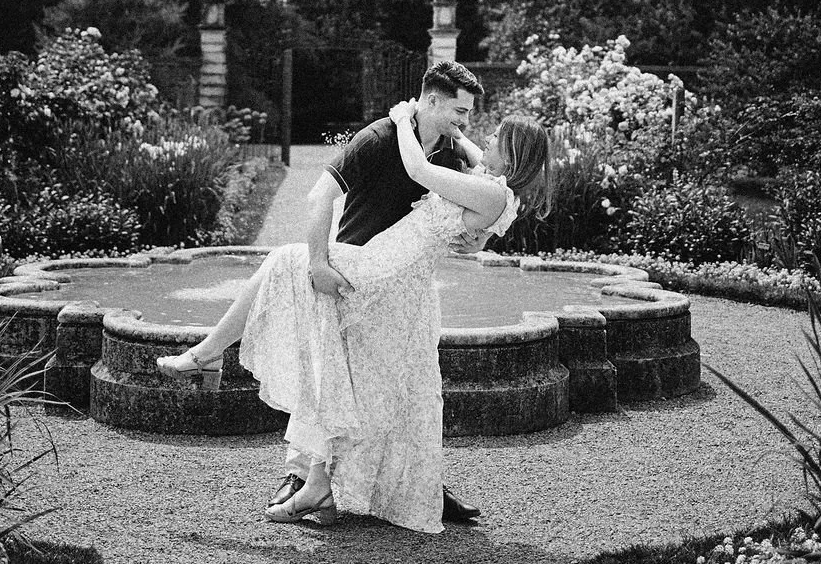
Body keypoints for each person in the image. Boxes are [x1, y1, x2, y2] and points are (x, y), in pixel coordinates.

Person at [158, 64, 551, 534]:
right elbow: (468, 167)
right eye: (461, 114)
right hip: (383, 267)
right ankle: (309, 472)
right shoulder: (488, 183)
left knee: (288, 271)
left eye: (492, 135)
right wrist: (414, 124)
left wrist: (404, 118)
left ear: (510, 153)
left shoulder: (478, 184)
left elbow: (419, 170)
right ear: (433, 101)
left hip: (380, 273)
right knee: (332, 359)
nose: (473, 132)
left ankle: (211, 360)